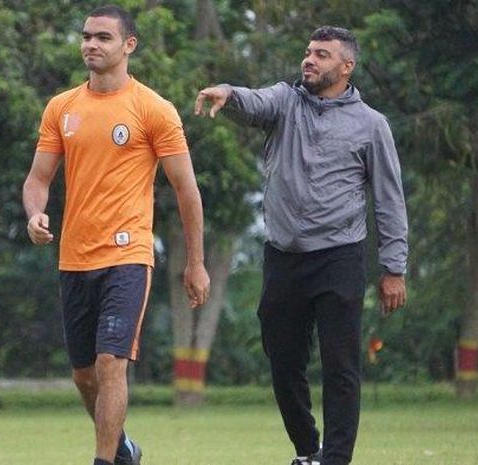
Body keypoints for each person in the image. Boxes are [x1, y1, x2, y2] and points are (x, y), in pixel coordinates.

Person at [195, 26, 408, 465]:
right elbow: (256, 101)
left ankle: (334, 459)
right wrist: (228, 94)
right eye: (308, 52)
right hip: (284, 258)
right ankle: (308, 449)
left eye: (322, 55)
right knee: (283, 360)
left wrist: (394, 268)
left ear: (346, 67)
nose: (309, 60)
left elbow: (389, 200)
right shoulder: (285, 102)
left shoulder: (371, 125)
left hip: (340, 257)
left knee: (341, 367)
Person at [23, 5, 210, 465]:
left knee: (111, 365)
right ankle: (123, 448)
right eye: (87, 36)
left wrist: (196, 262)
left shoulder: (154, 109)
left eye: (103, 38)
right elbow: (38, 179)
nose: (91, 44)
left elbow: (186, 191)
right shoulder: (61, 107)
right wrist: (34, 214)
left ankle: (104, 462)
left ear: (129, 45)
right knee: (84, 376)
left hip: (128, 256)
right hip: (73, 258)